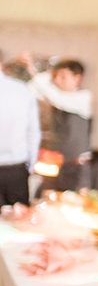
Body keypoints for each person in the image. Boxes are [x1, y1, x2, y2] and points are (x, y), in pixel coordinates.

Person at [26, 57, 93, 191]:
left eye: (63, 77)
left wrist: (36, 72)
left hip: (78, 167)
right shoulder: (56, 97)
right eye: (55, 77)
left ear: (77, 78)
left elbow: (57, 99)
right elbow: (32, 88)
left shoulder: (85, 97)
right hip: (55, 164)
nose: (57, 81)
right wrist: (46, 73)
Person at [0, 48, 41, 206]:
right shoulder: (22, 91)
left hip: (16, 166)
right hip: (16, 169)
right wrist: (30, 165)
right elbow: (33, 133)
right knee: (19, 225)